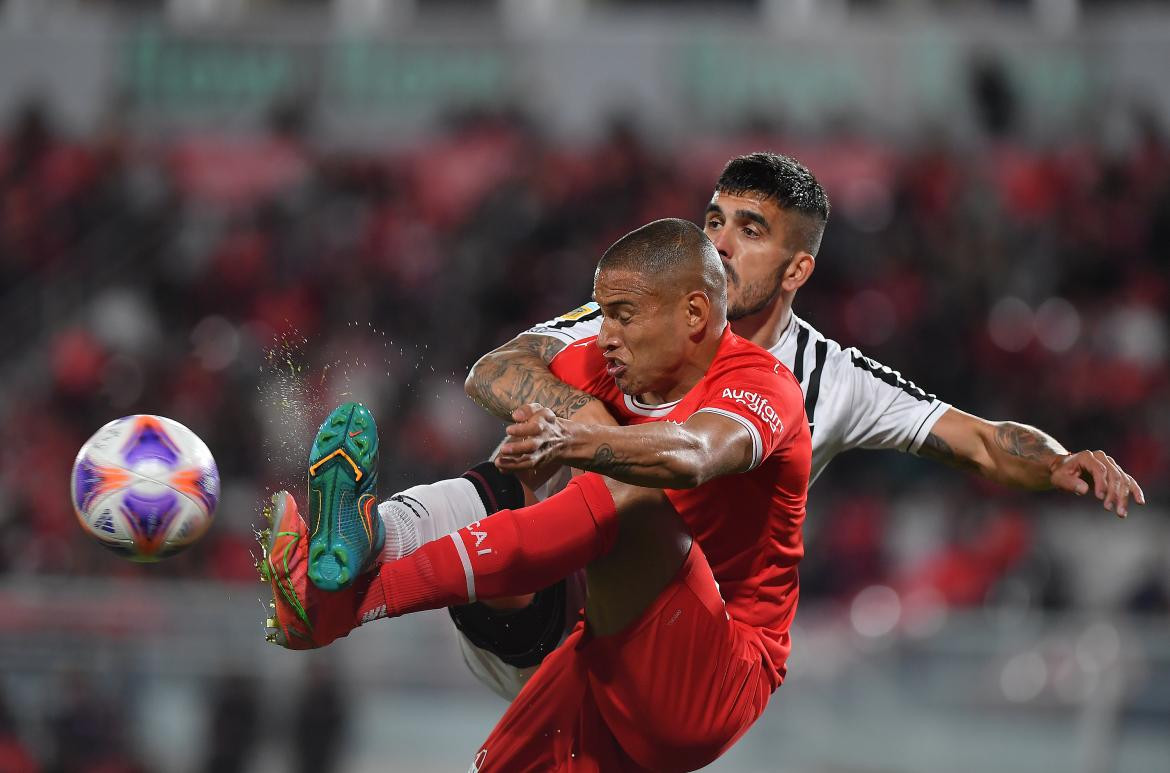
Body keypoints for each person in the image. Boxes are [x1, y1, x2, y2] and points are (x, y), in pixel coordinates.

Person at [447, 151, 1146, 699]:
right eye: (714, 220)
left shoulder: (831, 379)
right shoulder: (639, 309)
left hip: (660, 656)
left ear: (797, 268)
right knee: (529, 453)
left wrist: (1058, 462)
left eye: (749, 231)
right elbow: (496, 368)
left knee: (641, 481)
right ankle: (373, 540)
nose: (718, 243)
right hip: (540, 611)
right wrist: (597, 428)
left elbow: (983, 440)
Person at [261, 218, 812, 771]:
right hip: (597, 645)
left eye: (623, 315)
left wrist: (579, 438)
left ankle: (356, 598)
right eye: (602, 314)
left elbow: (693, 455)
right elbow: (490, 373)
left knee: (628, 489)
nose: (604, 335)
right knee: (518, 464)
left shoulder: (760, 386)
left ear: (694, 314)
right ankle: (373, 538)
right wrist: (575, 418)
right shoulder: (611, 367)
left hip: (715, 677)